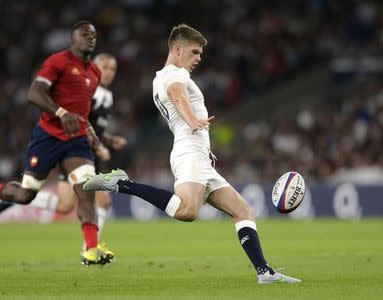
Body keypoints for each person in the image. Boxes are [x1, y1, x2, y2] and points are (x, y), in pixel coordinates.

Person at [84, 24, 301, 284]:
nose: (199, 58)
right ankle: (122, 183)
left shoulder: (163, 77)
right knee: (187, 211)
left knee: (243, 212)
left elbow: (177, 95)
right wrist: (192, 119)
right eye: (195, 52)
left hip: (200, 158)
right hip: (190, 151)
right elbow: (177, 95)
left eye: (200, 54)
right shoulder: (173, 75)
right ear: (177, 48)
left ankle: (265, 273)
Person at [0, 21, 113, 265]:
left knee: (86, 191)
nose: (90, 38)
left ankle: (91, 251)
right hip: (48, 137)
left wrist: (93, 138)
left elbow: (83, 113)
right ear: (73, 39)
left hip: (77, 142)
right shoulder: (58, 62)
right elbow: (34, 93)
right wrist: (61, 112)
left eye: (93, 34)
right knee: (25, 194)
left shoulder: (94, 73)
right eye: (84, 34)